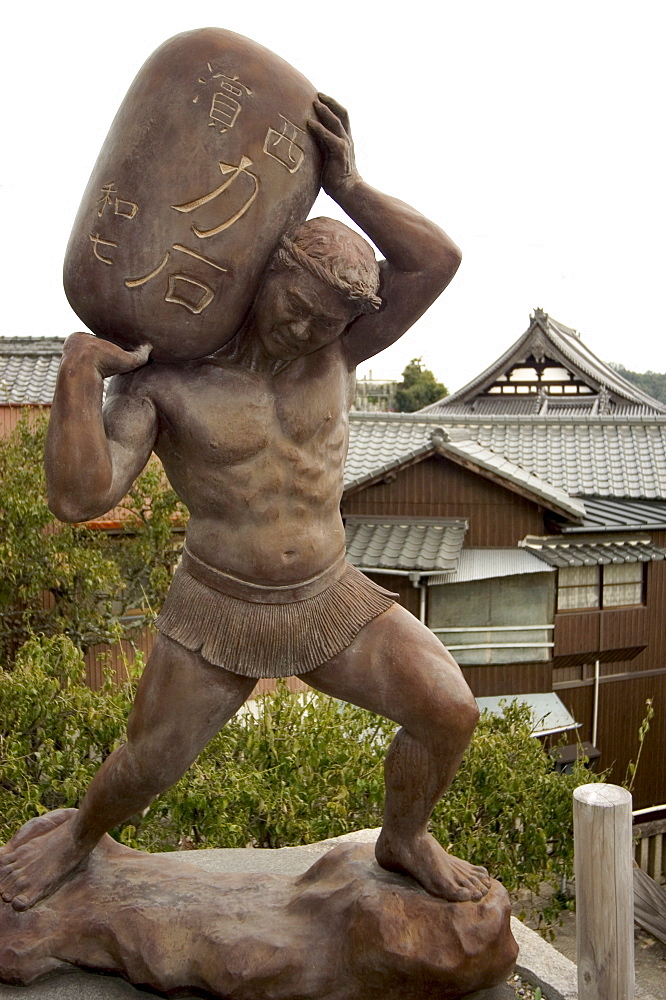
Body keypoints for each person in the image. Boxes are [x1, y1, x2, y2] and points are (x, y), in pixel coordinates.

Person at [0, 95, 490, 911]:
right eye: (294, 305)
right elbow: (78, 498)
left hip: (331, 596)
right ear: (266, 275)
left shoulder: (339, 351)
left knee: (449, 710)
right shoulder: (169, 378)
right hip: (218, 605)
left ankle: (403, 840)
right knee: (147, 764)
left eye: (321, 322)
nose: (301, 330)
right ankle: (80, 838)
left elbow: (436, 261)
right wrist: (79, 377)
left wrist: (352, 187)